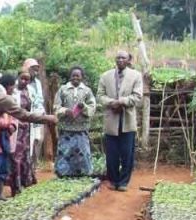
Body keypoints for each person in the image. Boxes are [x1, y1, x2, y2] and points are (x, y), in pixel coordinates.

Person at [0, 73, 57, 198]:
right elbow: (23, 115)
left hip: (2, 136)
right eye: (13, 86)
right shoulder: (2, 97)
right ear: (9, 86)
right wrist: (47, 118)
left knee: (2, 164)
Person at [97, 51, 143, 191]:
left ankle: (123, 182)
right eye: (118, 57)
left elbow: (137, 96)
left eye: (123, 58)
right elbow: (100, 95)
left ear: (128, 60)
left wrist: (121, 102)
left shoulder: (136, 76)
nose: (120, 60)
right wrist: (112, 103)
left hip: (127, 120)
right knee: (111, 154)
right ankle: (113, 180)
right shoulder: (105, 76)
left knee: (127, 153)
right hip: (111, 120)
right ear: (115, 59)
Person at [54, 66, 97, 177]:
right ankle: (63, 175)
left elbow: (93, 107)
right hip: (65, 128)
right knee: (65, 152)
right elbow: (56, 107)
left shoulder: (87, 91)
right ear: (70, 76)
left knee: (82, 152)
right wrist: (65, 111)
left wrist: (84, 107)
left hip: (81, 129)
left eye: (78, 76)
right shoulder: (63, 89)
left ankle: (83, 175)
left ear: (82, 77)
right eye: (73, 75)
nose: (75, 78)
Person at [11, 71, 36, 194]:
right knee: (17, 156)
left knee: (26, 153)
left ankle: (27, 181)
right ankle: (16, 185)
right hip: (16, 128)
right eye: (22, 79)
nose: (24, 82)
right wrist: (17, 122)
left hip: (27, 127)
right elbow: (10, 110)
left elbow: (33, 108)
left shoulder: (30, 91)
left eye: (27, 79)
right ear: (18, 78)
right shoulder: (13, 91)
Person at [22, 58, 46, 174]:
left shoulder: (38, 83)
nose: (35, 73)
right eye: (33, 69)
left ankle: (34, 164)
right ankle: (27, 166)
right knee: (29, 140)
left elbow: (40, 99)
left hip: (38, 113)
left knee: (38, 139)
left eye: (37, 70)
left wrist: (41, 111)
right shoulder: (22, 83)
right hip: (27, 115)